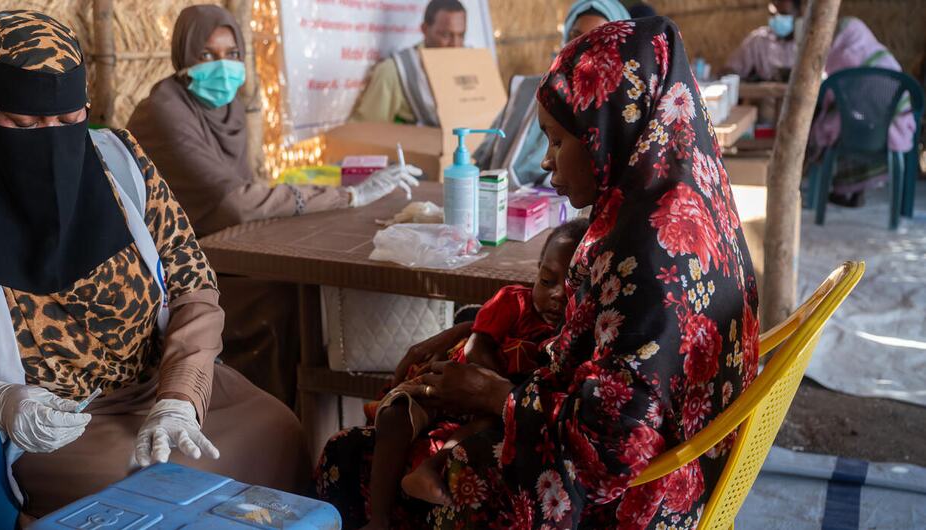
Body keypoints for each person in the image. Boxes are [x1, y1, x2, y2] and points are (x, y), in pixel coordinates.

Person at [0, 10, 310, 518]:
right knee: (147, 489)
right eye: (25, 123)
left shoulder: (121, 162)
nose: (51, 139)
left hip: (160, 383)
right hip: (52, 425)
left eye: (68, 120)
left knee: (277, 428)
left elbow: (194, 287)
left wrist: (182, 394)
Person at [318, 17, 760, 528]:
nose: (548, 163)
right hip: (676, 466)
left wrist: (492, 395)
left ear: (603, 132)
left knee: (348, 461)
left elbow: (610, 447)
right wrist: (471, 329)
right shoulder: (690, 197)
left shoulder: (650, 251)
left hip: (625, 502)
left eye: (556, 141)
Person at [127, 5, 419, 405]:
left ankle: (311, 407)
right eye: (207, 55)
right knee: (283, 300)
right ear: (184, 55)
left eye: (232, 54)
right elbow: (234, 203)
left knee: (305, 288)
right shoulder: (165, 111)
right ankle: (276, 410)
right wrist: (348, 195)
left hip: (224, 246)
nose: (224, 67)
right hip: (172, 269)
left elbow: (242, 192)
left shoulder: (227, 108)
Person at [358, 219, 588, 529]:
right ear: (536, 271)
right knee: (395, 414)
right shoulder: (513, 302)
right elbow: (475, 348)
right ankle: (379, 520)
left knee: (482, 432)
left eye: (573, 287)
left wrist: (493, 398)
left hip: (489, 409)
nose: (558, 294)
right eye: (547, 280)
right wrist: (488, 386)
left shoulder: (571, 335)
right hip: (446, 383)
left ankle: (429, 467)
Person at [473, 0, 630, 188]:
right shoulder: (532, 89)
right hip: (502, 195)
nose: (582, 49)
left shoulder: (621, 107)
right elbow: (489, 151)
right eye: (576, 37)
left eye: (596, 41)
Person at [808, 17, 917, 207]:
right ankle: (855, 191)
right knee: (845, 121)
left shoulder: (842, 64)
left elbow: (828, 98)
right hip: (895, 130)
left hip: (854, 134)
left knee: (828, 124)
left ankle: (840, 189)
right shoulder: (883, 59)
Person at [350, 0, 467, 125]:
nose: (455, 45)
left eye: (461, 35)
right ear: (425, 29)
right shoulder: (393, 73)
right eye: (446, 35)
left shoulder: (471, 67)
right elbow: (367, 130)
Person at [722, 0, 802, 82]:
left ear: (798, 13)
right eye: (774, 14)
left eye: (784, 14)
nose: (777, 18)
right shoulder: (758, 40)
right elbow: (729, 71)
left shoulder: (806, 43)